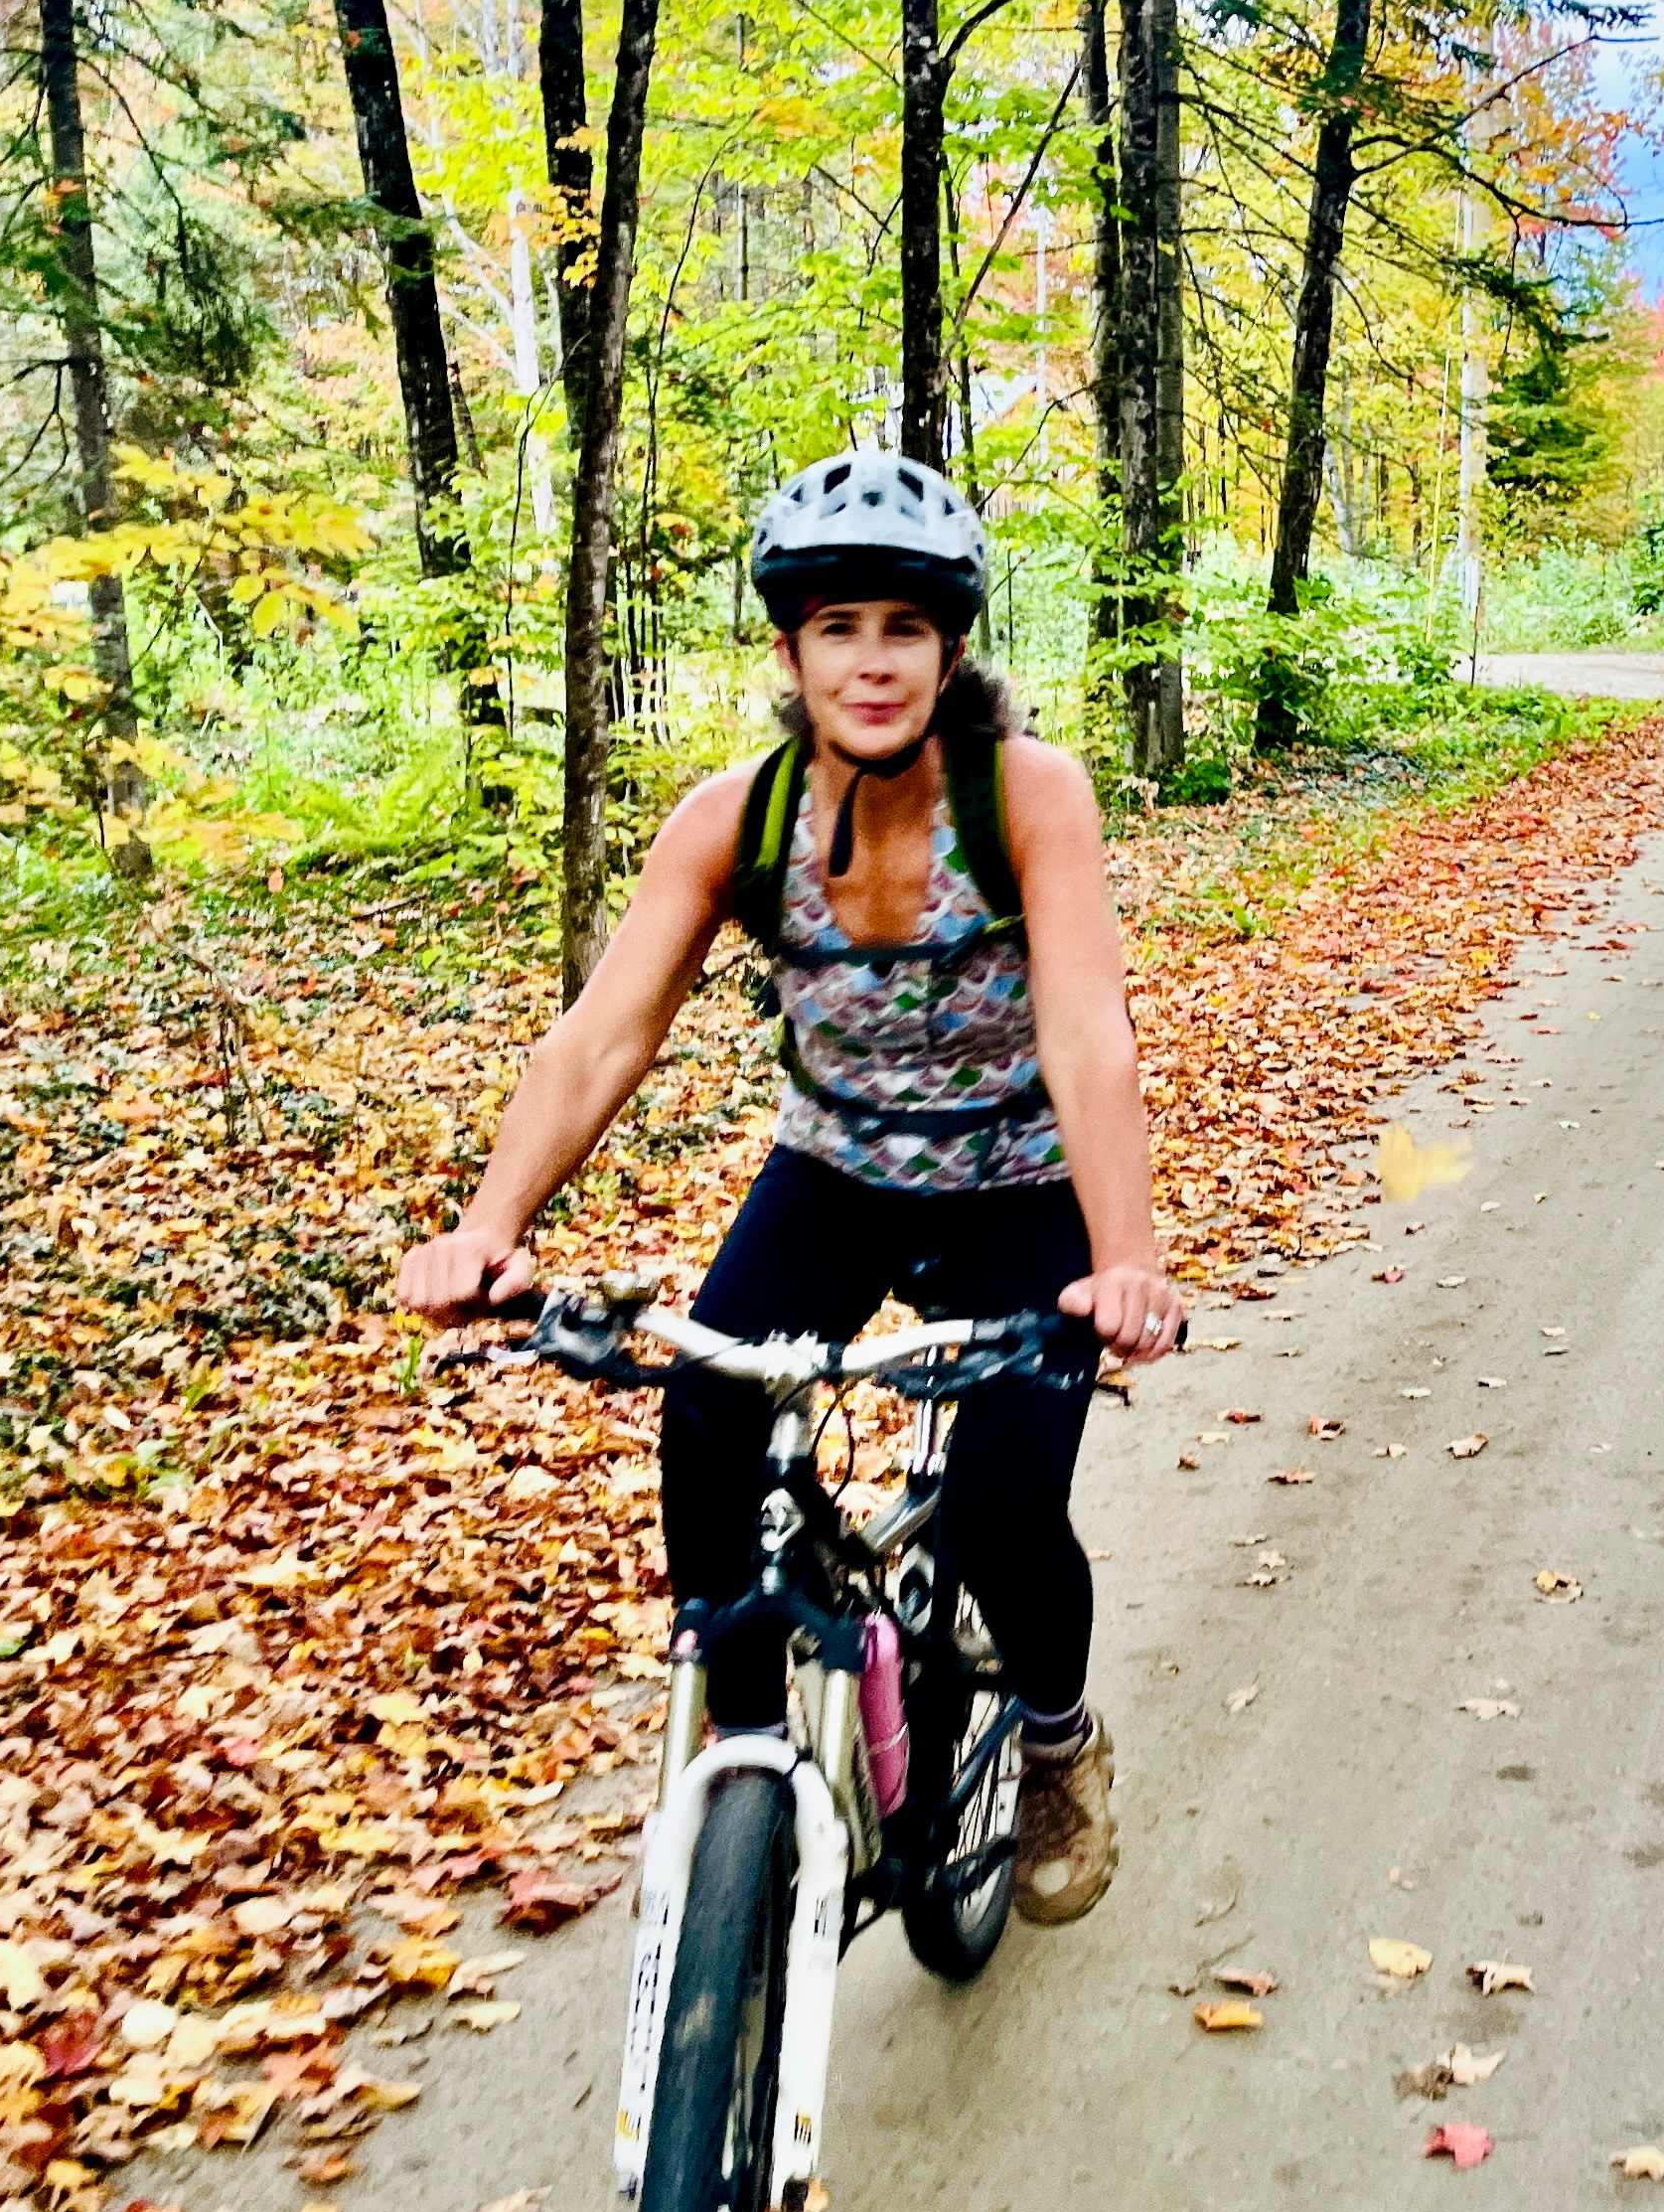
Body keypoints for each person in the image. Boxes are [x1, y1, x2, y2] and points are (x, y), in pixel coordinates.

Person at [394, 454, 1182, 1922]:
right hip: (836, 1174)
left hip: (1021, 1189)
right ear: (789, 649)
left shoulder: (1026, 798)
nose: (872, 660)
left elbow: (1087, 1032)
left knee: (1008, 1514)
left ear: (950, 646)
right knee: (707, 1411)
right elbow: (604, 1034)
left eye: (902, 626)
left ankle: (1061, 1741)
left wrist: (1123, 1255)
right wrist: (487, 1228)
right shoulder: (732, 821)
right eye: (838, 627)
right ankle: (742, 1756)